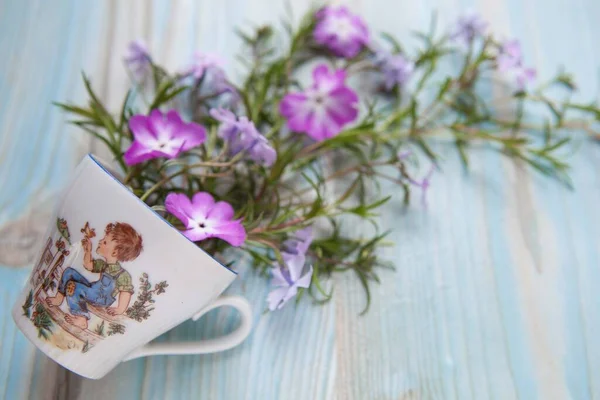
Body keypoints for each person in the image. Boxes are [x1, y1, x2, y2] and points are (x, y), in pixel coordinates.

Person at [45, 222, 143, 330]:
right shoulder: (103, 265)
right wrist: (88, 250)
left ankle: (82, 318)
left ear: (115, 252)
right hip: (92, 290)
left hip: (101, 298)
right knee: (69, 272)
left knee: (74, 286)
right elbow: (88, 265)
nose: (100, 241)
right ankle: (58, 298)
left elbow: (126, 292)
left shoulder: (123, 275)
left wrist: (120, 309)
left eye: (105, 242)